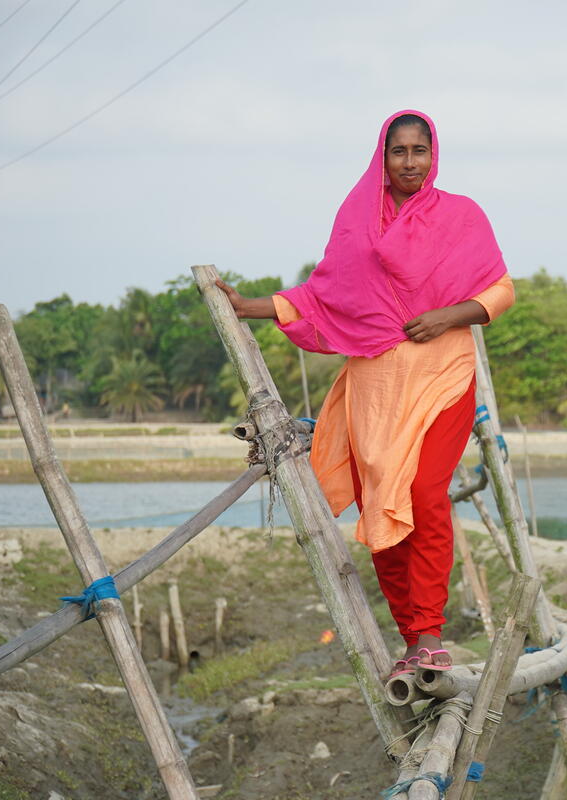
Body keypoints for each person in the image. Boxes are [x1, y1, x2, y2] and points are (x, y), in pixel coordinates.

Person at [216, 110, 514, 677]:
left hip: (442, 378)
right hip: (375, 387)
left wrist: (445, 316)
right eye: (397, 152)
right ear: (383, 156)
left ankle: (430, 629)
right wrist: (248, 307)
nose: (409, 163)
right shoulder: (360, 221)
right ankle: (412, 639)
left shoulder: (461, 215)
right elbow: (326, 295)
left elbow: (499, 292)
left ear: (434, 154)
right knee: (381, 503)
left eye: (418, 151)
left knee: (425, 496)